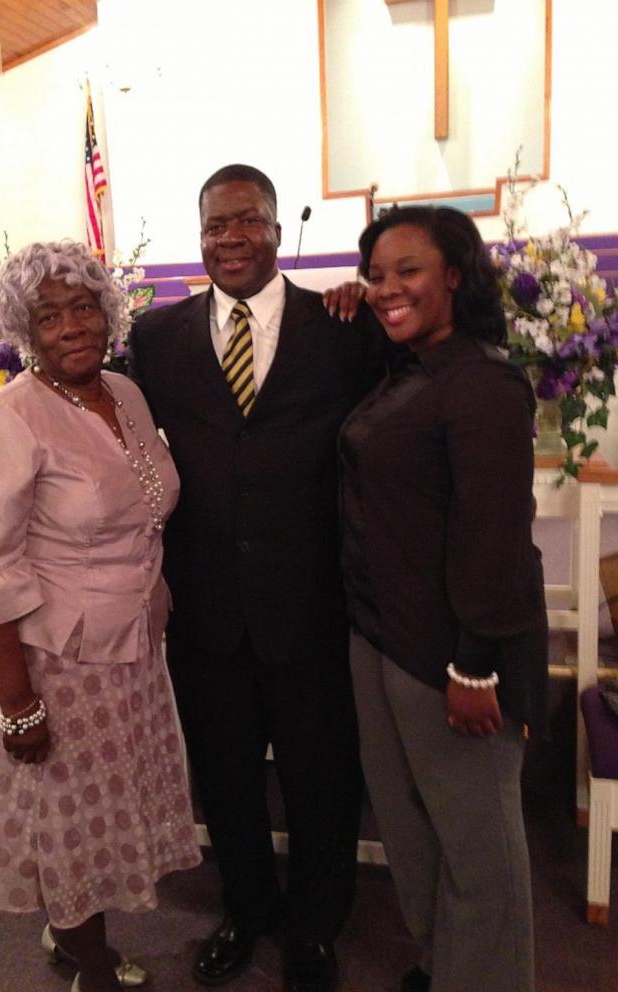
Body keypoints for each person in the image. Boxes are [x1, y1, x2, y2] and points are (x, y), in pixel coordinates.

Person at [129, 164, 389, 992]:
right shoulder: (157, 338)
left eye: (246, 222)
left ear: (277, 229)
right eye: (213, 226)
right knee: (229, 776)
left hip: (312, 601)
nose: (229, 239)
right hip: (206, 608)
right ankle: (247, 909)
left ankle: (315, 927)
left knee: (322, 776)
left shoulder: (343, 326)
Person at [0, 241, 201, 992]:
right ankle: (89, 963)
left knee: (105, 812)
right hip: (51, 659)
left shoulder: (126, 393)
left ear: (108, 311)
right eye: (49, 316)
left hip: (131, 644)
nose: (72, 327)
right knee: (70, 824)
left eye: (84, 307)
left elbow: (144, 509)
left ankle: (74, 939)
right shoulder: (4, 419)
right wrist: (17, 704)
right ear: (26, 331)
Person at [338, 205, 548, 992]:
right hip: (383, 636)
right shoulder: (408, 369)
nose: (388, 288)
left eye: (409, 271)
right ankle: (444, 967)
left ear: (455, 274)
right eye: (378, 274)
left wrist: (477, 665)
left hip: (455, 656)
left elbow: (494, 537)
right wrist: (350, 307)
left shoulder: (484, 382)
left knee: (478, 847)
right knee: (413, 835)